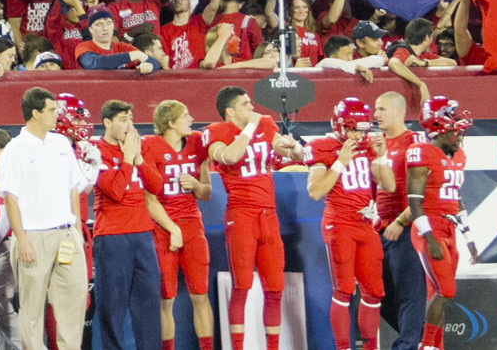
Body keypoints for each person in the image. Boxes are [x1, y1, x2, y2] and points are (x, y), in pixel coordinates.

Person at [207, 84, 301, 350]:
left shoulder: (265, 123)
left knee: (275, 287)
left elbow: (284, 150)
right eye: (245, 104)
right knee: (242, 286)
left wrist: (291, 147)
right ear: (230, 111)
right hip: (241, 214)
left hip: (268, 215)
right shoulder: (215, 131)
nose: (252, 108)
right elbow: (230, 156)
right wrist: (250, 127)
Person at [0, 88, 93, 350]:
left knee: (74, 301)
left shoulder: (61, 144)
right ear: (35, 113)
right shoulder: (14, 150)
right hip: (33, 237)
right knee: (32, 309)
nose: (57, 114)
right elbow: (10, 198)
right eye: (51, 110)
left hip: (66, 235)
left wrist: (75, 228)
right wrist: (22, 238)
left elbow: (73, 187)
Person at [390, 96, 470, 350]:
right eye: (455, 129)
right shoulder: (421, 152)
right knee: (446, 290)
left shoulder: (458, 156)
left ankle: (437, 346)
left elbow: (457, 197)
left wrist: (469, 235)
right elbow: (415, 202)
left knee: (436, 292)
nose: (459, 134)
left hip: (450, 227)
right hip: (429, 226)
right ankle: (426, 345)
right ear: (438, 127)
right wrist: (429, 236)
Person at [309, 97, 389, 350]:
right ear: (339, 125)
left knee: (374, 291)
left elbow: (389, 186)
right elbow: (315, 190)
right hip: (339, 224)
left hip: (365, 224)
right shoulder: (323, 146)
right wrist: (340, 162)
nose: (357, 134)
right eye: (353, 128)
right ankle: (343, 347)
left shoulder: (368, 146)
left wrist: (381, 158)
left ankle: (370, 346)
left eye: (361, 129)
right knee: (344, 290)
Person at [92, 98, 170, 350]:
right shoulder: (95, 151)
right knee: (112, 307)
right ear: (107, 123)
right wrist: (127, 159)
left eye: (131, 120)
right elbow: (114, 191)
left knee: (148, 305)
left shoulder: (136, 149)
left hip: (143, 234)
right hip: (112, 236)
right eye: (123, 120)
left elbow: (157, 187)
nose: (129, 126)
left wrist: (137, 160)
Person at [139, 99, 212, 350]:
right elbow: (149, 199)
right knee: (166, 299)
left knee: (200, 295)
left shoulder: (197, 142)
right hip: (162, 227)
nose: (191, 119)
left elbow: (206, 193)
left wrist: (196, 184)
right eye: (185, 115)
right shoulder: (150, 146)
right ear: (170, 122)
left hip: (193, 223)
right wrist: (173, 228)